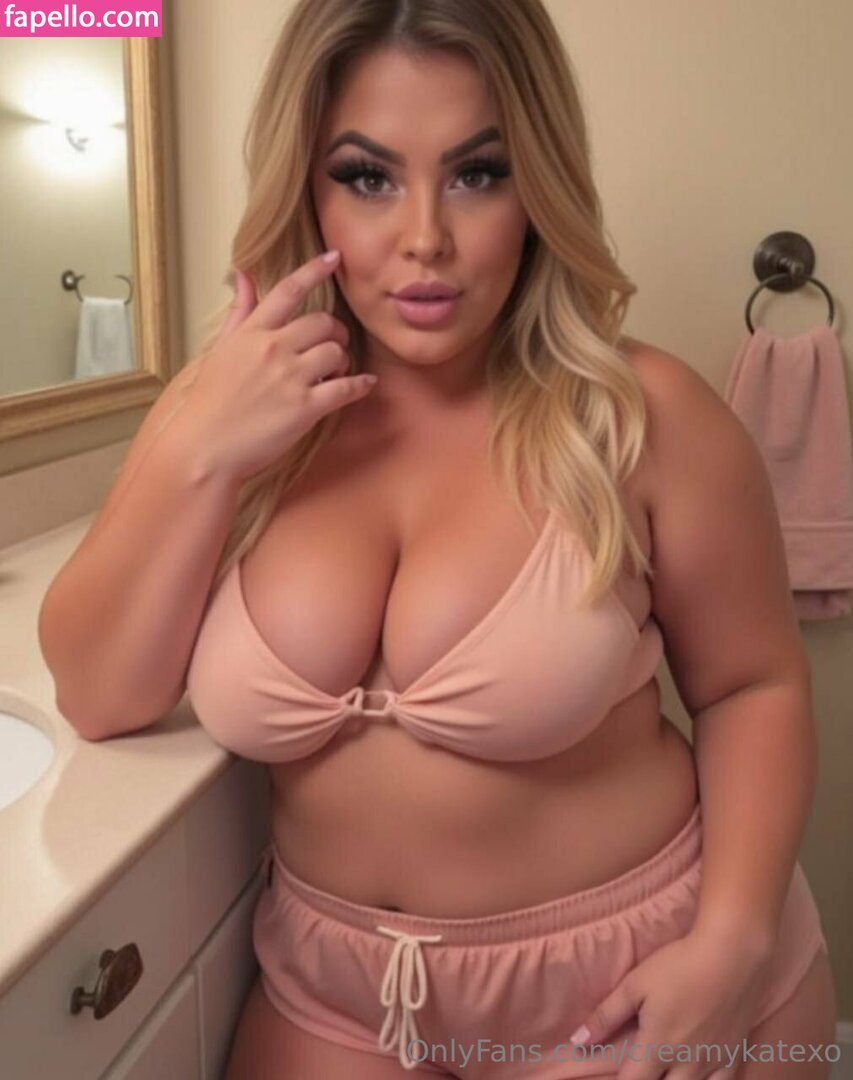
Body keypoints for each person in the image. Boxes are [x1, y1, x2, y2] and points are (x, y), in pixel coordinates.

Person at [39, 1, 837, 1077]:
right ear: (306, 186)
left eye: (477, 173)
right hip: (337, 997)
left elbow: (752, 686)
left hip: (629, 988)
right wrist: (197, 447)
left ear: (537, 185)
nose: (424, 237)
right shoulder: (234, 414)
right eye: (368, 176)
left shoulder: (642, 415)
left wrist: (731, 942)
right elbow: (97, 694)